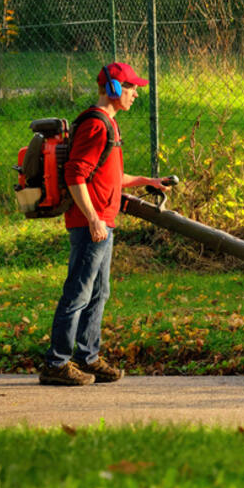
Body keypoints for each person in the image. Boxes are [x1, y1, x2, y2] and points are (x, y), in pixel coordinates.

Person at [39, 62, 171, 386]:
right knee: (78, 293)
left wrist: (146, 180)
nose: (136, 94)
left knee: (99, 293)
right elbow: (75, 175)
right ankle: (57, 362)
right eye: (131, 88)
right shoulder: (97, 126)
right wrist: (93, 218)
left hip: (102, 223)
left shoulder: (109, 125)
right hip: (91, 225)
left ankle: (88, 357)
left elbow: (108, 175)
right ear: (113, 89)